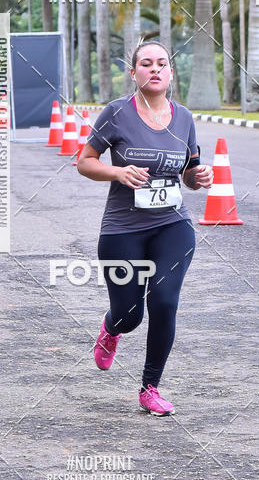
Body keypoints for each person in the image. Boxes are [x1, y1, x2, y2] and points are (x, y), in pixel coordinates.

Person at [77, 41, 213, 416]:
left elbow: (188, 171)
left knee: (165, 303)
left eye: (162, 64)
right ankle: (111, 328)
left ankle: (150, 387)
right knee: (129, 314)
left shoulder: (183, 117)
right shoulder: (116, 113)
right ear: (134, 73)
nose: (155, 69)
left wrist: (198, 176)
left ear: (170, 72)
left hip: (173, 225)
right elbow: (84, 161)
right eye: (146, 64)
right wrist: (118, 171)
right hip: (124, 229)